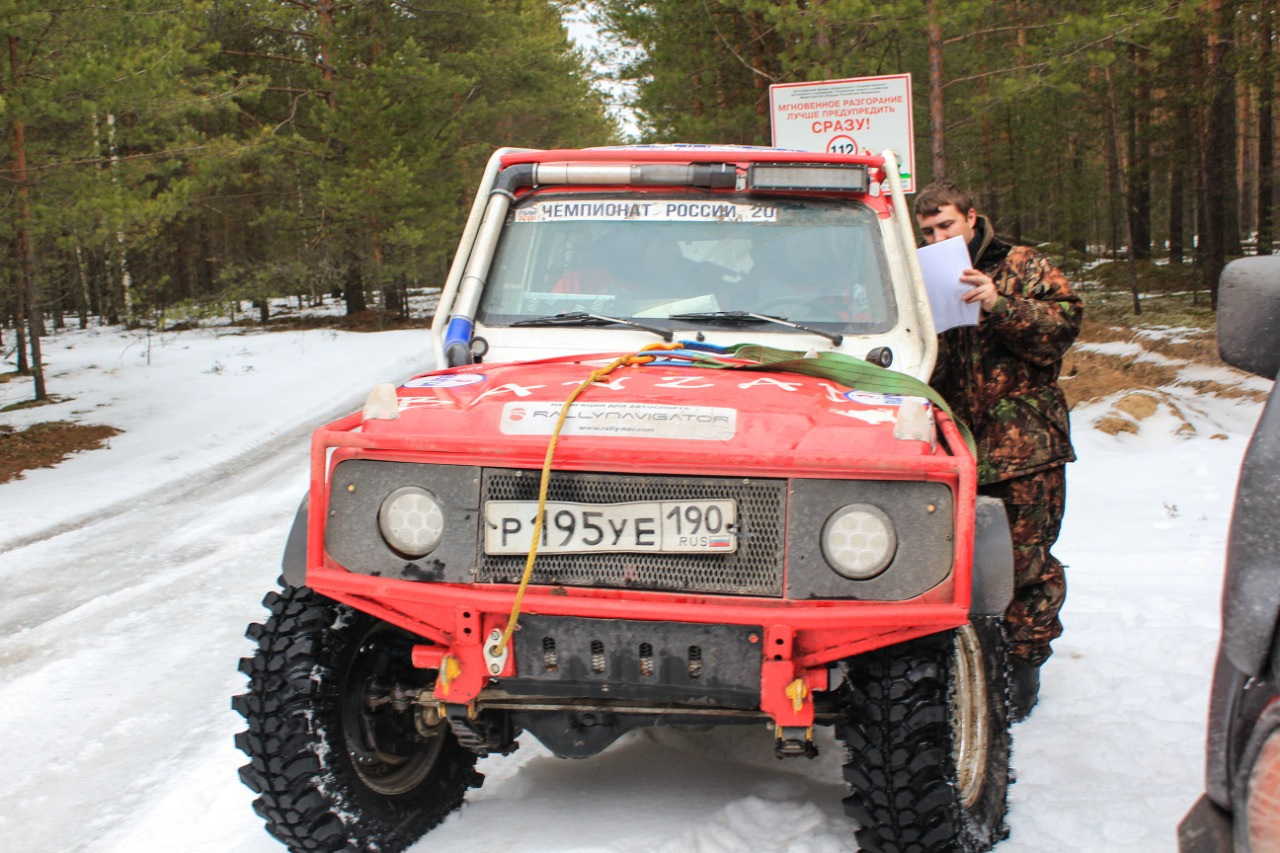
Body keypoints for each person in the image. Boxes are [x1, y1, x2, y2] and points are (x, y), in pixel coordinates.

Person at [914, 180, 1083, 721]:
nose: (938, 238)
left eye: (946, 225)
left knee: (1025, 562)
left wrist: (998, 303)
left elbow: (1060, 330)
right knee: (950, 563)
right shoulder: (919, 275)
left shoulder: (1022, 265)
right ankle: (960, 667)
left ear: (971, 217)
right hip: (954, 446)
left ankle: (1021, 670)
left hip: (1024, 445)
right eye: (928, 231)